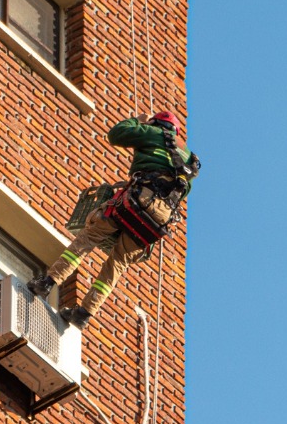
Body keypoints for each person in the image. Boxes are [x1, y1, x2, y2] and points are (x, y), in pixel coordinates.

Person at [27, 111, 200, 329]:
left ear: (159, 124)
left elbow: (117, 134)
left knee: (88, 238)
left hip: (137, 202)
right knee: (117, 263)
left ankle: (47, 282)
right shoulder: (190, 162)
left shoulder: (155, 133)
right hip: (158, 220)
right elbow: (182, 194)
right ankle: (84, 313)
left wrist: (138, 121)